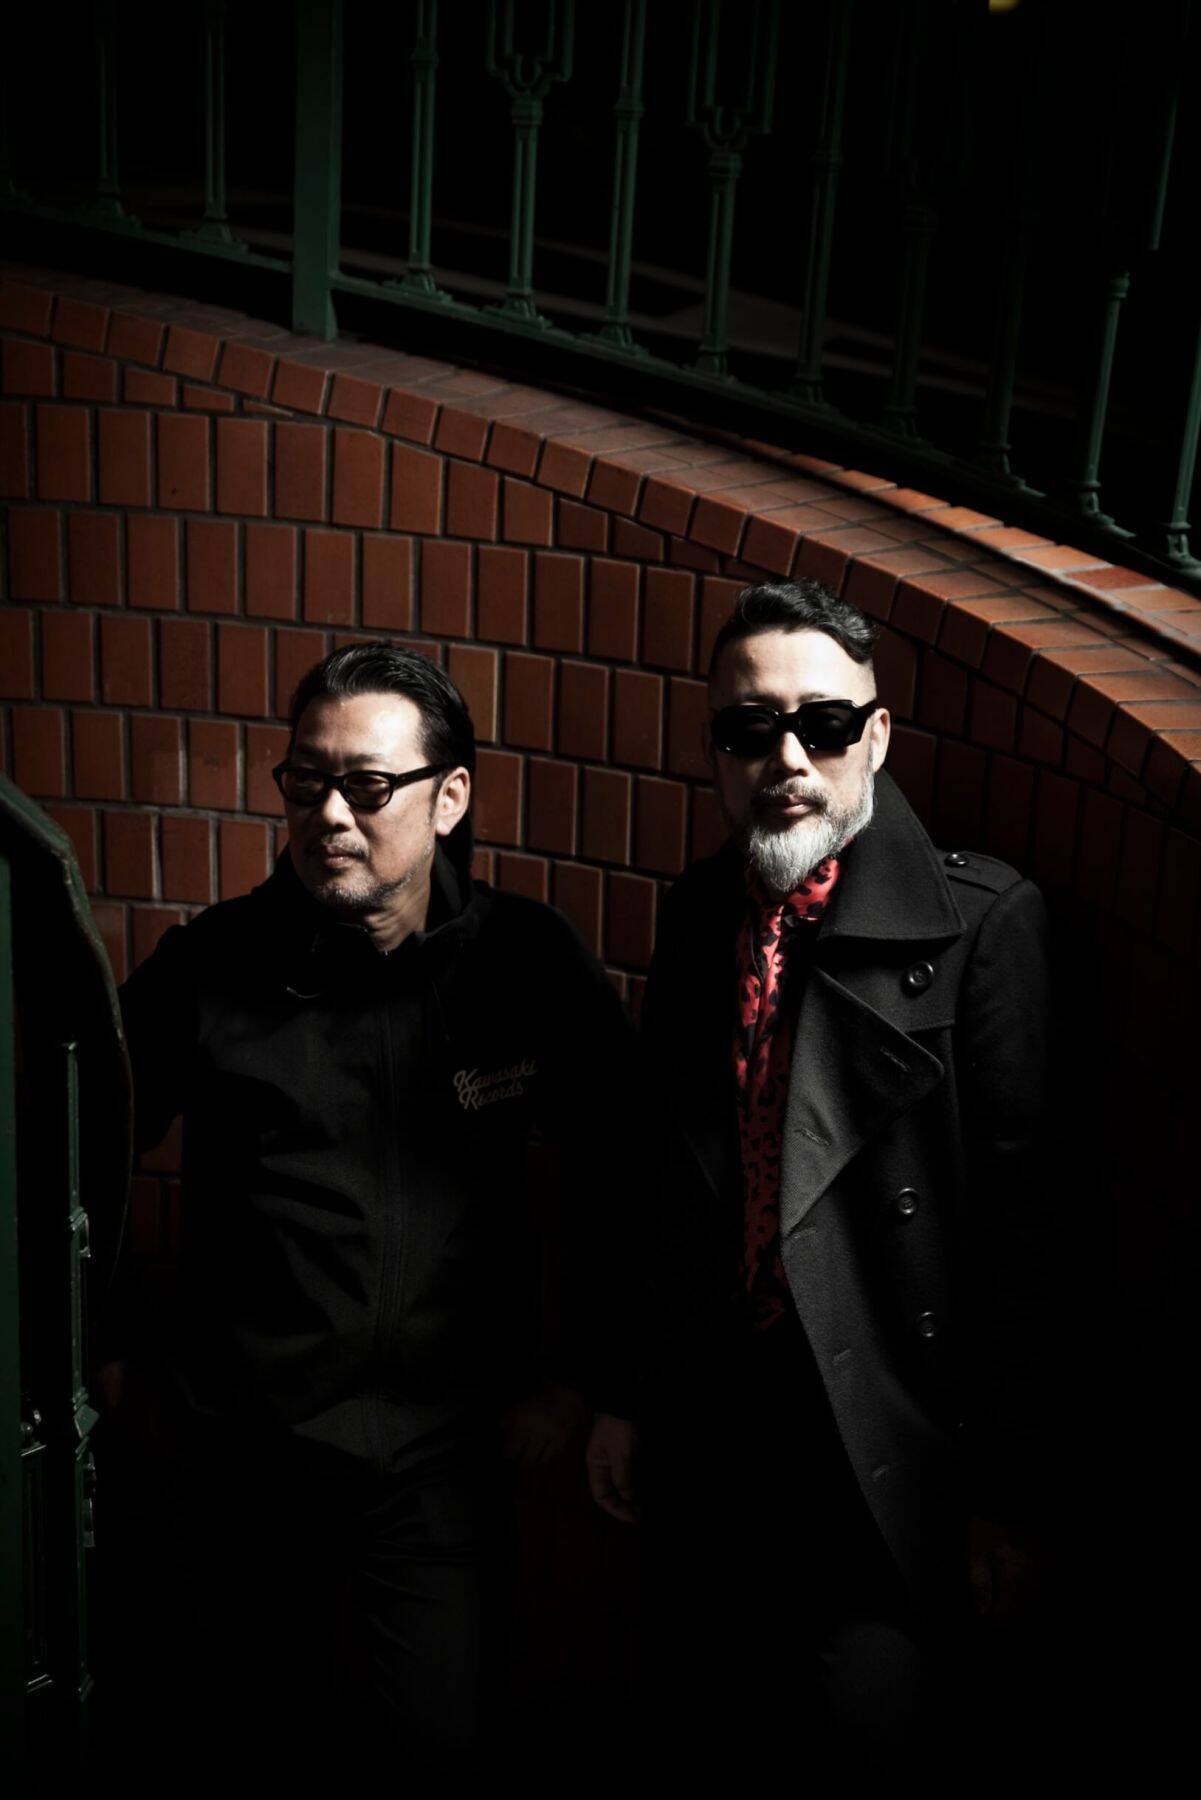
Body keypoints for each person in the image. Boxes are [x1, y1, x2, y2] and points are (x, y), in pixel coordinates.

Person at [102, 642, 636, 1772]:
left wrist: (581, 1376)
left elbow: (626, 1168)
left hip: (439, 1471)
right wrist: (107, 1344)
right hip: (246, 1463)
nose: (330, 815)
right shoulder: (210, 967)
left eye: (367, 785)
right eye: (307, 781)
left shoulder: (524, 961)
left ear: (449, 797)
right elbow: (70, 1150)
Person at [586, 579, 1052, 1763]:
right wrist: (627, 1395)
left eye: (825, 725)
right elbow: (661, 1188)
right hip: (720, 1425)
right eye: (751, 729)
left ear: (876, 737)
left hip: (882, 1436)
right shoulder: (700, 912)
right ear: (716, 750)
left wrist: (1005, 1497)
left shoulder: (981, 924)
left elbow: (1024, 1237)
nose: (787, 759)